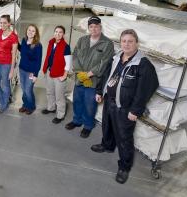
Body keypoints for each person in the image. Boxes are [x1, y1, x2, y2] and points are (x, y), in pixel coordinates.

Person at [91, 29, 159, 184]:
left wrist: (136, 110)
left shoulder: (142, 64)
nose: (126, 44)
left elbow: (146, 89)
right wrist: (100, 91)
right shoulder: (115, 58)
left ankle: (124, 167)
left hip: (126, 108)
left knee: (124, 138)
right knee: (107, 127)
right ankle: (106, 145)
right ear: (120, 42)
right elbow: (105, 74)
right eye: (124, 41)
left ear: (137, 43)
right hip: (110, 101)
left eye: (130, 41)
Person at [66, 16, 114, 138]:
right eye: (91, 26)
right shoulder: (82, 40)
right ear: (88, 28)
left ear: (100, 27)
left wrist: (89, 74)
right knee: (77, 101)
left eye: (96, 26)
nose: (94, 29)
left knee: (89, 104)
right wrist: (79, 72)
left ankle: (88, 125)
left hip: (93, 81)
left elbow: (105, 62)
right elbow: (75, 55)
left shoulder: (107, 43)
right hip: (80, 78)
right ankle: (77, 121)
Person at [41, 25, 71, 123]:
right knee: (50, 92)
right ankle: (51, 108)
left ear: (63, 34)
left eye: (60, 32)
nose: (57, 34)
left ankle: (60, 115)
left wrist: (64, 75)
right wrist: (45, 69)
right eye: (56, 32)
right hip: (50, 71)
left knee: (59, 96)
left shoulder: (66, 46)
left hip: (59, 74)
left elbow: (68, 62)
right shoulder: (51, 42)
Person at [0, 14, 18, 114]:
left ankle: (3, 105)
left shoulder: (13, 37)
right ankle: (3, 100)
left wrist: (12, 70)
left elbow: (14, 54)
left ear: (9, 23)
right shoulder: (0, 32)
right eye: (1, 22)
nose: (2, 25)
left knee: (5, 85)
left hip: (6, 64)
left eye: (4, 23)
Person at [17, 24, 43, 115]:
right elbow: (22, 50)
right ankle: (25, 105)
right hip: (22, 69)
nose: (30, 32)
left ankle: (31, 106)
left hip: (31, 72)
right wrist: (16, 43)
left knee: (28, 90)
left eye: (33, 31)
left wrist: (36, 75)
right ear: (26, 31)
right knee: (23, 89)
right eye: (29, 30)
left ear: (36, 33)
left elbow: (38, 61)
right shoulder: (24, 40)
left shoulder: (38, 45)